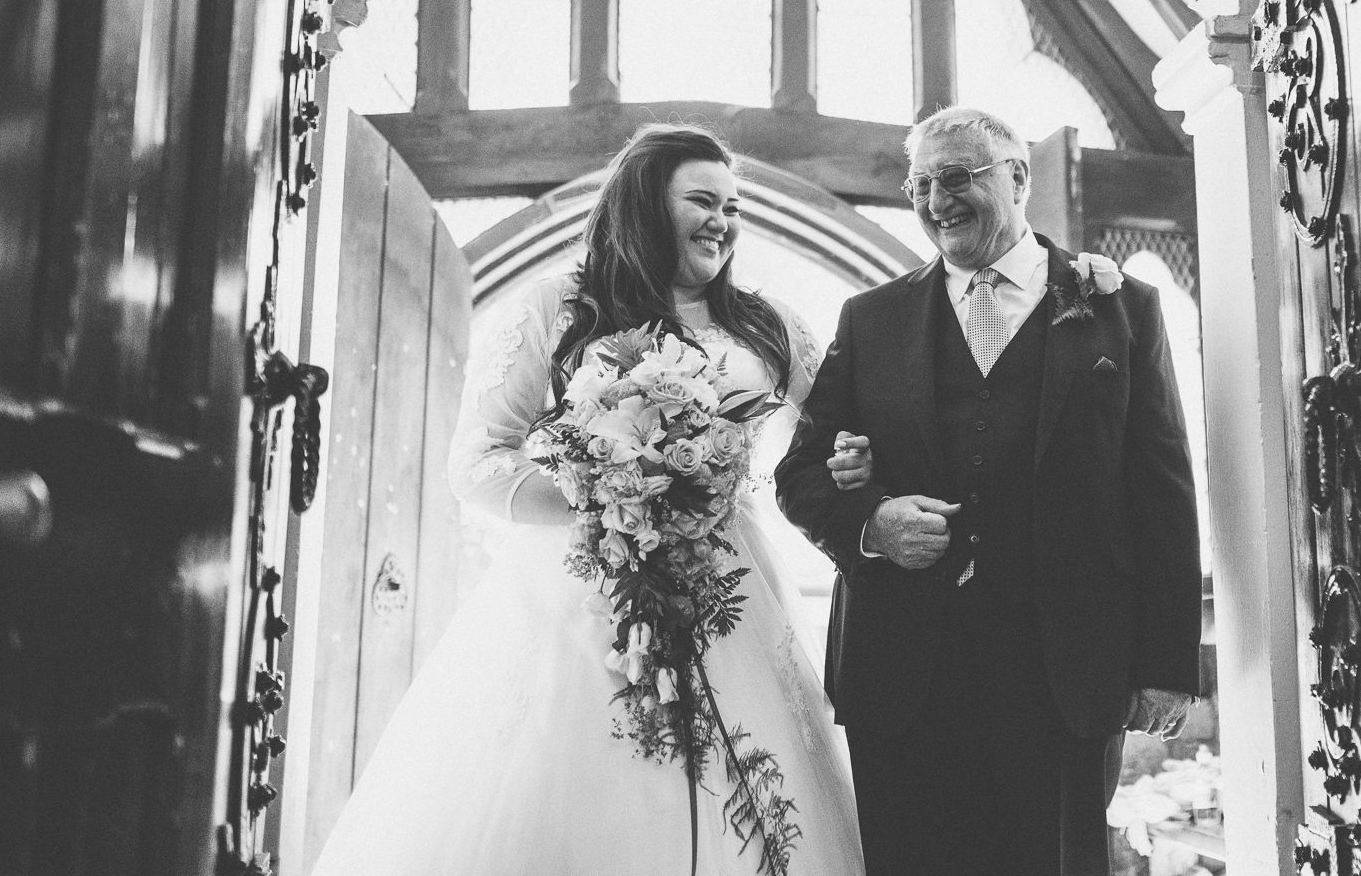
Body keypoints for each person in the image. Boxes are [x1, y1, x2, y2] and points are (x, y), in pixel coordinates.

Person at [309, 125, 863, 876]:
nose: (724, 220)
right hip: (585, 597)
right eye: (702, 199)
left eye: (733, 205)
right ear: (643, 205)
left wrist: (847, 465)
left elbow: (842, 427)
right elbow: (477, 461)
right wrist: (605, 495)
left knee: (751, 791)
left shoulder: (764, 325)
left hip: (731, 591)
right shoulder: (563, 307)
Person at [775, 107, 1202, 876]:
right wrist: (873, 522)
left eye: (958, 178)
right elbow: (799, 472)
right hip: (903, 672)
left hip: (1062, 671)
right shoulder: (870, 319)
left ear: (1017, 176)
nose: (937, 200)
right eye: (921, 183)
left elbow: (1161, 483)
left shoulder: (1121, 308)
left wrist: (1166, 661)